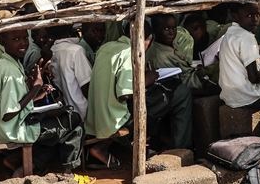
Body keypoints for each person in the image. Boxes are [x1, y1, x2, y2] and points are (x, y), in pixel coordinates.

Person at [85, 22, 193, 154]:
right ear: (148, 39)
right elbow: (125, 94)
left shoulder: (106, 47)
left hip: (96, 116)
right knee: (180, 93)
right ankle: (179, 149)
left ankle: (158, 143)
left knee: (162, 96)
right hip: (115, 119)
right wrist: (148, 78)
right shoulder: (128, 52)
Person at [0, 29, 84, 173]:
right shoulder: (9, 72)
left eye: (25, 38)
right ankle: (69, 173)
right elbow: (8, 113)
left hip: (14, 125)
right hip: (14, 129)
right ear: (2, 42)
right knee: (74, 121)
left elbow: (17, 101)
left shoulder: (10, 63)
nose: (23, 43)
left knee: (56, 126)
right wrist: (36, 87)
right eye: (15, 39)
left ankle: (26, 167)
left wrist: (37, 93)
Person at [218, 3, 260, 111]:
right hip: (246, 98)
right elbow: (254, 78)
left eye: (257, 14)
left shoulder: (229, 33)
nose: (255, 19)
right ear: (235, 17)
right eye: (249, 16)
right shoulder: (246, 37)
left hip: (230, 96)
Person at [146, 14, 203, 89]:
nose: (171, 32)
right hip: (187, 84)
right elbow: (179, 80)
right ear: (155, 30)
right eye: (166, 29)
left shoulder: (174, 43)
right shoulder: (158, 56)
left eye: (174, 28)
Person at [49, 26, 92, 120]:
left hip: (67, 111)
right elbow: (86, 85)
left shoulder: (52, 50)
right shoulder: (76, 50)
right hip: (82, 110)